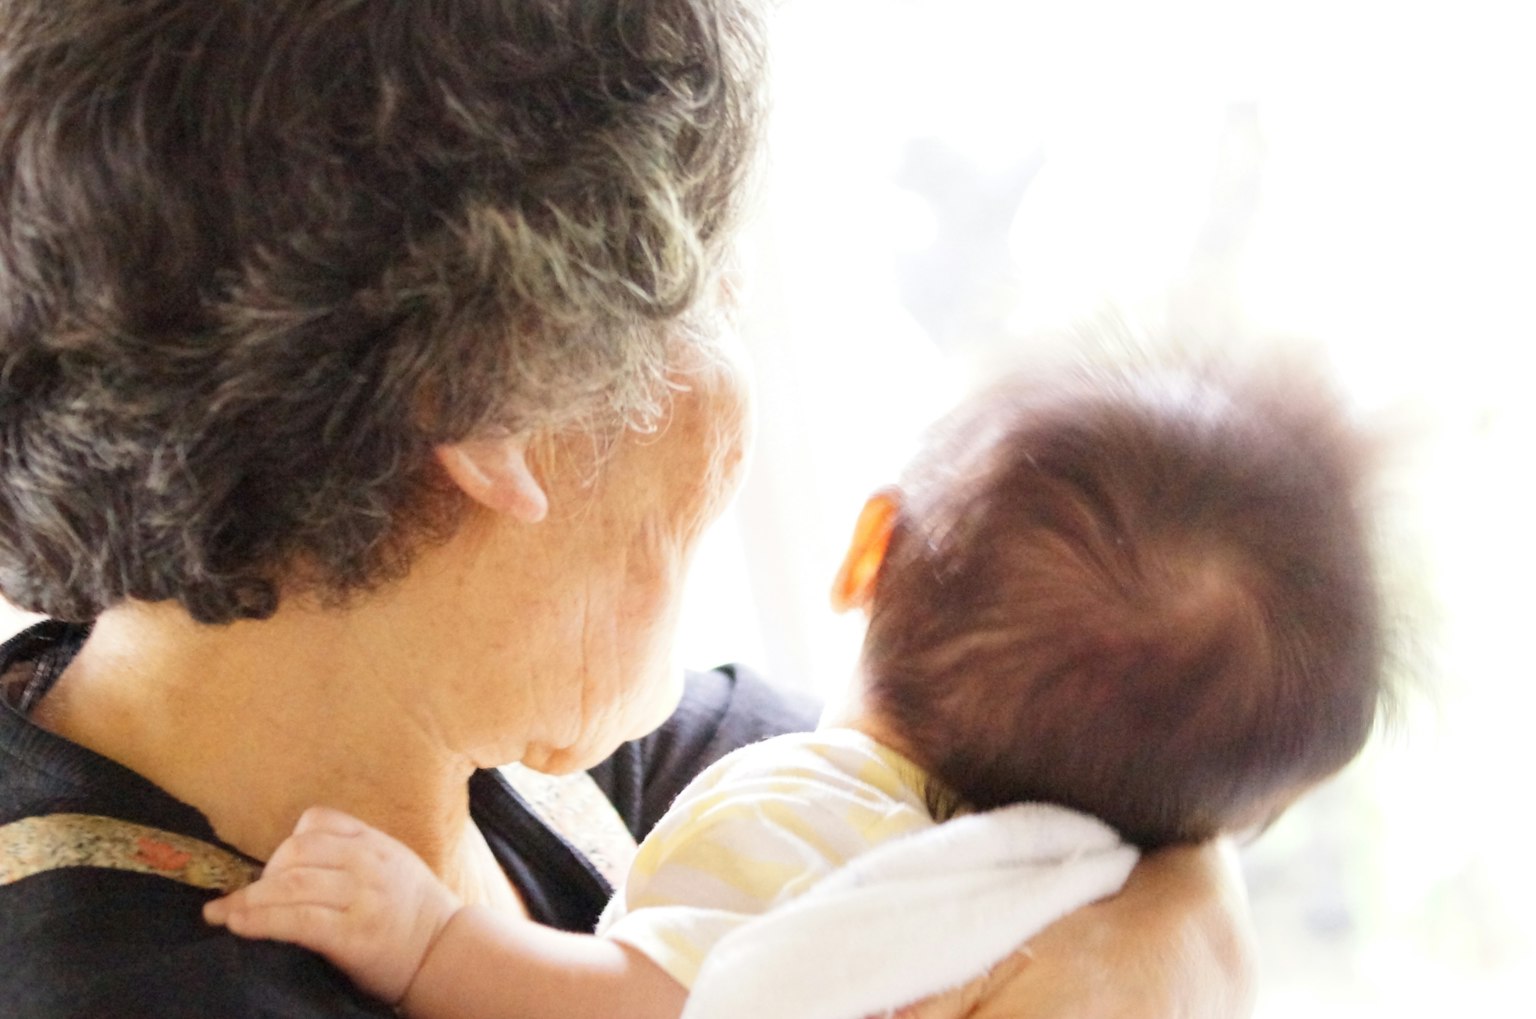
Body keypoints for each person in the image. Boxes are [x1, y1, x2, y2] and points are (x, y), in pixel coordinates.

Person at [0, 2, 1254, 1016]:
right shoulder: (116, 985)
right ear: (498, 399)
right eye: (715, 282)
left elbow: (1091, 808)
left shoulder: (608, 761)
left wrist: (1183, 907)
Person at [205, 357, 1383, 1018]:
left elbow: (658, 1005)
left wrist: (432, 943)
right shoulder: (1048, 878)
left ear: (870, 548)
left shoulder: (796, 812)